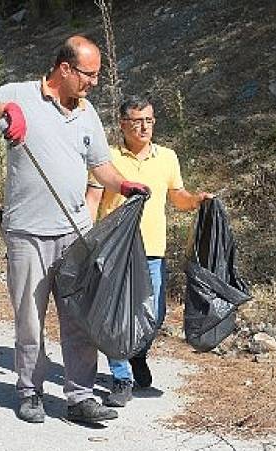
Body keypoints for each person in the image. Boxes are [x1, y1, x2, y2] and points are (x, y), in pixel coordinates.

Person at [0, 36, 149, 424]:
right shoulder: (21, 95)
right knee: (30, 319)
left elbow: (101, 165)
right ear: (65, 69)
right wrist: (6, 110)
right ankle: (29, 391)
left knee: (79, 318)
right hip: (27, 233)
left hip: (75, 232)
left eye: (97, 75)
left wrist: (124, 186)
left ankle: (79, 396)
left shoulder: (87, 111)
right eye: (89, 74)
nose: (94, 82)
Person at [85, 95, 212, 407]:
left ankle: (137, 353)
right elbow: (92, 200)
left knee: (153, 315)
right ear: (122, 124)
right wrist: (86, 242)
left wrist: (197, 200)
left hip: (153, 250)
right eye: (137, 121)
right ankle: (121, 377)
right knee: (117, 317)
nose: (144, 127)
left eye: (149, 120)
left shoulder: (167, 157)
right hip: (116, 251)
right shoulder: (106, 159)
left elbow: (177, 196)